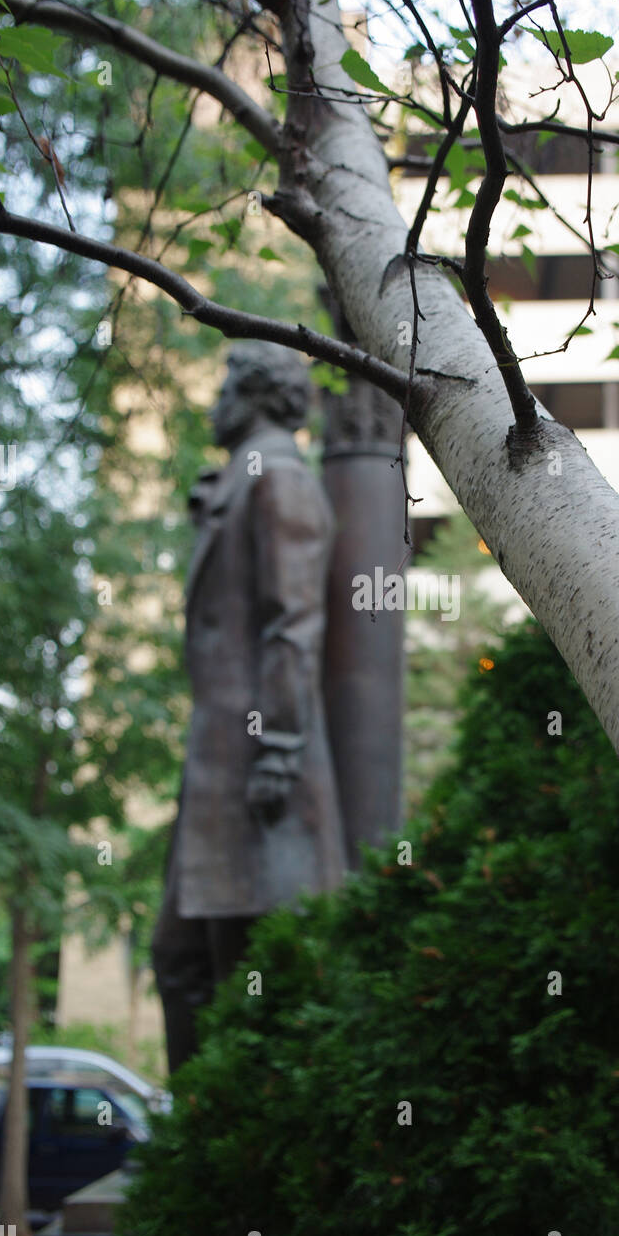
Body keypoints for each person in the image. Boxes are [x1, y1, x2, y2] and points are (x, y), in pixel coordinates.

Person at [152, 343, 346, 1072]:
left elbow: (292, 623)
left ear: (259, 397)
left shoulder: (280, 478)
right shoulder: (242, 478)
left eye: (226, 387)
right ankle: (201, 1147)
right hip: (218, 766)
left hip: (258, 767)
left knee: (242, 971)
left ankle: (236, 1151)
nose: (214, 402)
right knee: (181, 957)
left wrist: (281, 749)